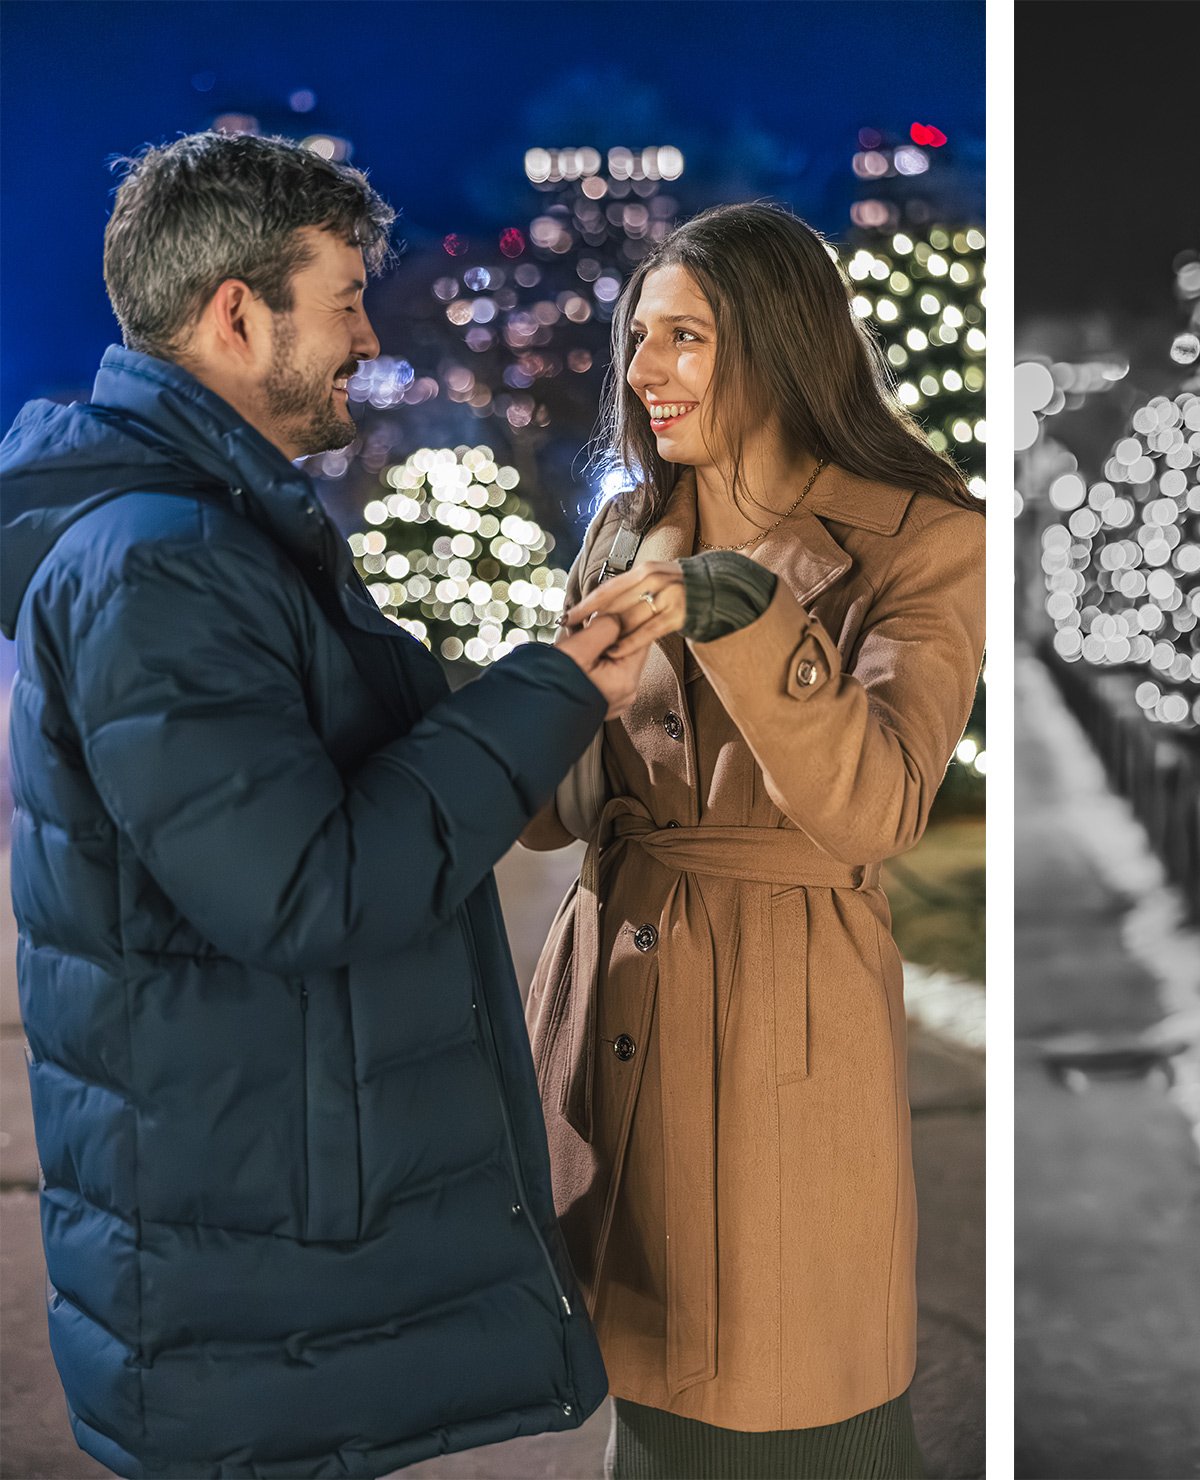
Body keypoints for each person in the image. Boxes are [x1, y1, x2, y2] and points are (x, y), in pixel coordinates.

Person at [0, 131, 637, 1475]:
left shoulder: (201, 534)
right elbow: (307, 885)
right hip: (249, 1281)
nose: (368, 333)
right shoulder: (159, 565)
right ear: (238, 314)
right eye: (343, 296)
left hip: (257, 1254)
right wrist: (556, 687)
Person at [517, 202, 984, 1479]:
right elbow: (560, 804)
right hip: (604, 996)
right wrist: (514, 703)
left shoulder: (926, 538)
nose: (642, 369)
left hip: (772, 1015)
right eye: (637, 337)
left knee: (796, 1409)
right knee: (647, 1404)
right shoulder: (625, 525)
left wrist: (740, 607)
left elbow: (878, 805)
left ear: (779, 345)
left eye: (685, 337)